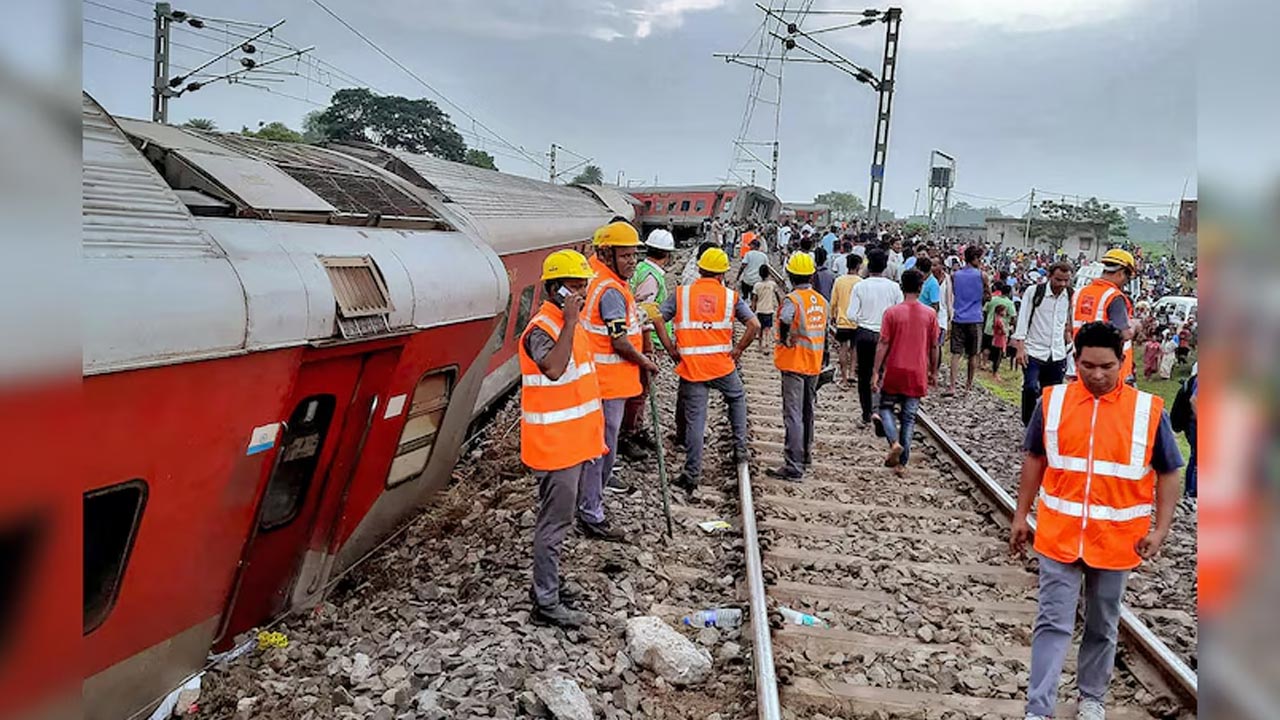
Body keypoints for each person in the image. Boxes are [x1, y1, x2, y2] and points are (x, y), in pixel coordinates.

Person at [1011, 322, 1183, 720]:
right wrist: (1021, 514)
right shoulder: (1052, 403)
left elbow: (1169, 470)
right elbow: (1035, 459)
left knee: (1103, 624)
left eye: (1107, 366)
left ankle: (1092, 698)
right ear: (1076, 360)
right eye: (1088, 366)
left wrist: (1161, 528)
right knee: (1052, 622)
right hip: (1060, 535)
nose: (1098, 375)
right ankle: (1039, 709)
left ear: (1122, 361)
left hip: (1117, 540)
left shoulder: (1146, 411)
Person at [521, 249, 607, 628]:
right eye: (575, 286)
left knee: (559, 521)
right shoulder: (543, 328)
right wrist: (571, 321)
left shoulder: (565, 323)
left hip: (572, 443)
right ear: (556, 289)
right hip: (554, 447)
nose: (583, 293)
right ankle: (546, 602)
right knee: (552, 525)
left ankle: (549, 585)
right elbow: (554, 369)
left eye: (584, 285)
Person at [657, 248, 760, 495]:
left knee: (696, 421)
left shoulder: (682, 295)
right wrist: (738, 350)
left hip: (693, 367)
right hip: (722, 365)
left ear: (700, 269)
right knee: (736, 398)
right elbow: (754, 324)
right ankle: (740, 447)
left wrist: (670, 348)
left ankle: (691, 475)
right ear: (723, 273)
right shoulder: (730, 297)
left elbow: (658, 319)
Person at [581, 221, 661, 530]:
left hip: (601, 380)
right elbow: (619, 341)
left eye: (634, 255)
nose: (632, 262)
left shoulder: (599, 276)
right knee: (603, 445)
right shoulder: (611, 291)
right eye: (625, 256)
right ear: (606, 253)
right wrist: (645, 362)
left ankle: (593, 496)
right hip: (608, 383)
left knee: (600, 446)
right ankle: (591, 511)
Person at [766, 252, 828, 481]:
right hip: (813, 364)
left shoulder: (792, 300)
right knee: (807, 412)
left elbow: (784, 319)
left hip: (794, 363)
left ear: (791, 275)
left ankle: (793, 465)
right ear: (811, 276)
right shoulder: (821, 301)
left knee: (793, 415)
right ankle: (805, 455)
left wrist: (783, 338)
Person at [871, 269, 938, 477]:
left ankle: (894, 442)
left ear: (901, 286)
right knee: (909, 418)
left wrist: (875, 371)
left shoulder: (891, 313)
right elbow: (934, 346)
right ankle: (902, 464)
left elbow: (883, 343)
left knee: (886, 408)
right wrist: (933, 371)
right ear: (920, 288)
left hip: (894, 370)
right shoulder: (930, 314)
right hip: (917, 371)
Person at [621, 228, 676, 458]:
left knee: (639, 391)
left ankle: (635, 429)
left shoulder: (642, 270)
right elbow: (646, 315)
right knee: (640, 391)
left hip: (641, 338)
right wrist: (654, 348)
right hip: (647, 340)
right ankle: (629, 434)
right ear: (668, 255)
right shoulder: (652, 279)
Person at [846, 248, 903, 429]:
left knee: (863, 374)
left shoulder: (860, 286)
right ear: (885, 266)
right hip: (885, 335)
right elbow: (899, 312)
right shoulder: (894, 288)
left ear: (868, 265)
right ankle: (880, 410)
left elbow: (851, 314)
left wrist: (864, 319)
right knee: (883, 374)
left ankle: (866, 413)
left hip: (864, 334)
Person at [1012, 262, 1074, 426]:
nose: (1062, 284)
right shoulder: (1034, 292)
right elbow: (1023, 319)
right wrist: (1020, 348)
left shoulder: (1069, 295)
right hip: (1033, 351)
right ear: (1049, 276)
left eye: (1065, 280)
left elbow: (1068, 323)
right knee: (1031, 387)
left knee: (1051, 394)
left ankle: (1043, 427)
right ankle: (1028, 423)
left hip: (1057, 353)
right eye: (1058, 280)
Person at [1070, 248, 1137, 383]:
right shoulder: (1114, 297)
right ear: (1120, 273)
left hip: (1083, 365)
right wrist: (1136, 326)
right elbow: (1124, 334)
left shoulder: (1079, 293)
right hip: (1110, 371)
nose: (1126, 283)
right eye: (1127, 278)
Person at [947, 244, 988, 395]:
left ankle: (952, 386)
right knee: (973, 353)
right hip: (975, 317)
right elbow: (988, 295)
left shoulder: (954, 275)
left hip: (959, 317)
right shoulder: (982, 275)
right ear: (976, 259)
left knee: (955, 353)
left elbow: (954, 293)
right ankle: (968, 386)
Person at [830, 254, 864, 387]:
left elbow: (833, 301)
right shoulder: (861, 282)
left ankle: (843, 377)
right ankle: (852, 373)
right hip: (856, 321)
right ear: (858, 266)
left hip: (842, 320)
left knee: (843, 348)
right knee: (854, 348)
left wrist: (832, 315)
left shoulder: (839, 281)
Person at [751, 266, 781, 354]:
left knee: (760, 329)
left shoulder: (757, 285)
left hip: (760, 310)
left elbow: (754, 298)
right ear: (768, 274)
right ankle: (767, 344)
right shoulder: (772, 284)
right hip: (769, 310)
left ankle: (760, 345)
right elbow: (777, 295)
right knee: (767, 329)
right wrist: (780, 305)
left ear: (760, 274)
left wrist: (753, 307)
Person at [990, 304, 1009, 377]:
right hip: (1000, 341)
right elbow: (1004, 331)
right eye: (1004, 311)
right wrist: (1007, 329)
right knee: (998, 358)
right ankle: (995, 373)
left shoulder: (996, 319)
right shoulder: (999, 321)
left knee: (996, 357)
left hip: (996, 340)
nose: (1005, 313)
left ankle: (994, 372)